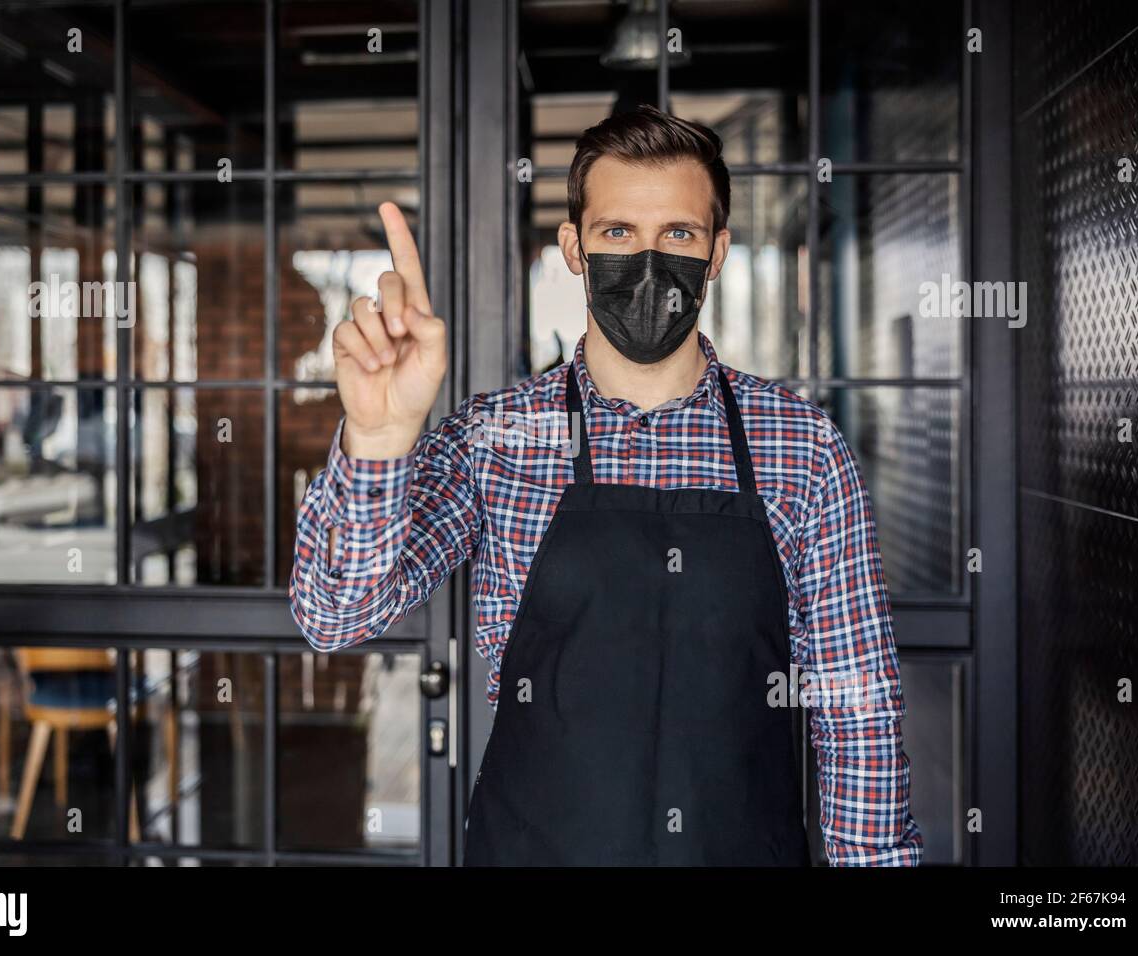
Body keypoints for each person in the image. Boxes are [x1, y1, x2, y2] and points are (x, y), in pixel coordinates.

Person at [290, 104, 922, 866]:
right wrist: (381, 442)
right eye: (618, 233)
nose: (648, 261)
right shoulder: (497, 440)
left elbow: (855, 705)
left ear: (718, 251)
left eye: (678, 235)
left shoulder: (801, 445)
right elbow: (335, 617)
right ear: (574, 248)